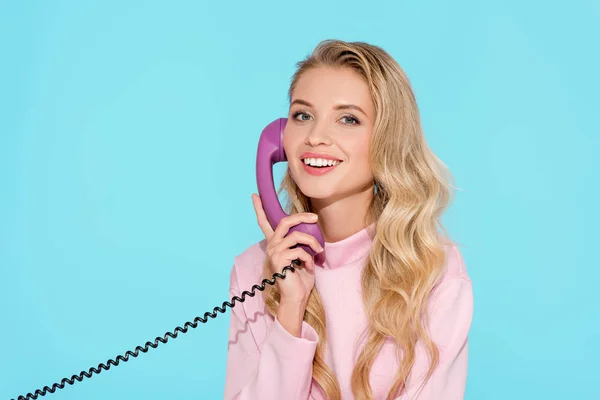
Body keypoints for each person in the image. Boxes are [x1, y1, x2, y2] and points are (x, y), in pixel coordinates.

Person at [223, 39, 473, 400]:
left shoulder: (432, 272)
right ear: (278, 139)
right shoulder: (252, 272)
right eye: (303, 115)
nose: (316, 137)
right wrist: (290, 308)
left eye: (348, 119)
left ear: (386, 141)